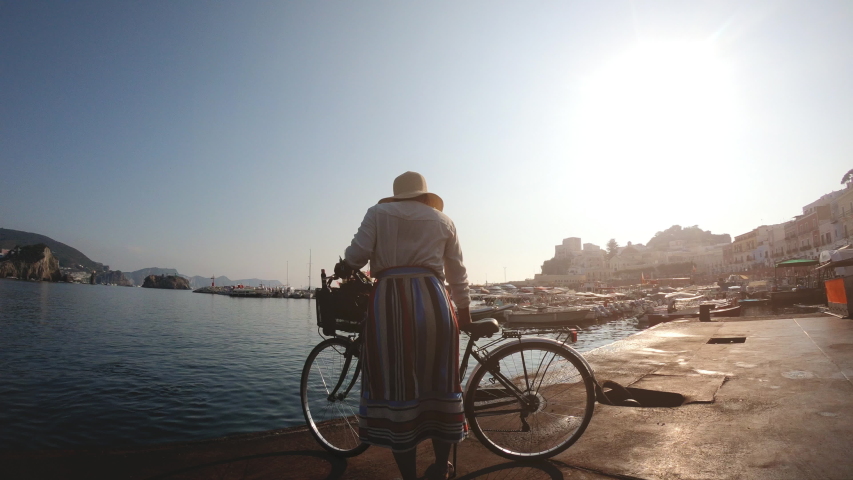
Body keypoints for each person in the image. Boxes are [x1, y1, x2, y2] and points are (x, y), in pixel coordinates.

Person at [340, 171, 471, 480]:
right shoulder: (444, 221)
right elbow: (457, 272)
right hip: (435, 302)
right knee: (440, 383)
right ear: (424, 195)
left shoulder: (378, 213)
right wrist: (463, 312)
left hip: (390, 305)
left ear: (397, 194)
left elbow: (356, 256)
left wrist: (344, 264)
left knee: (398, 388)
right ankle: (440, 468)